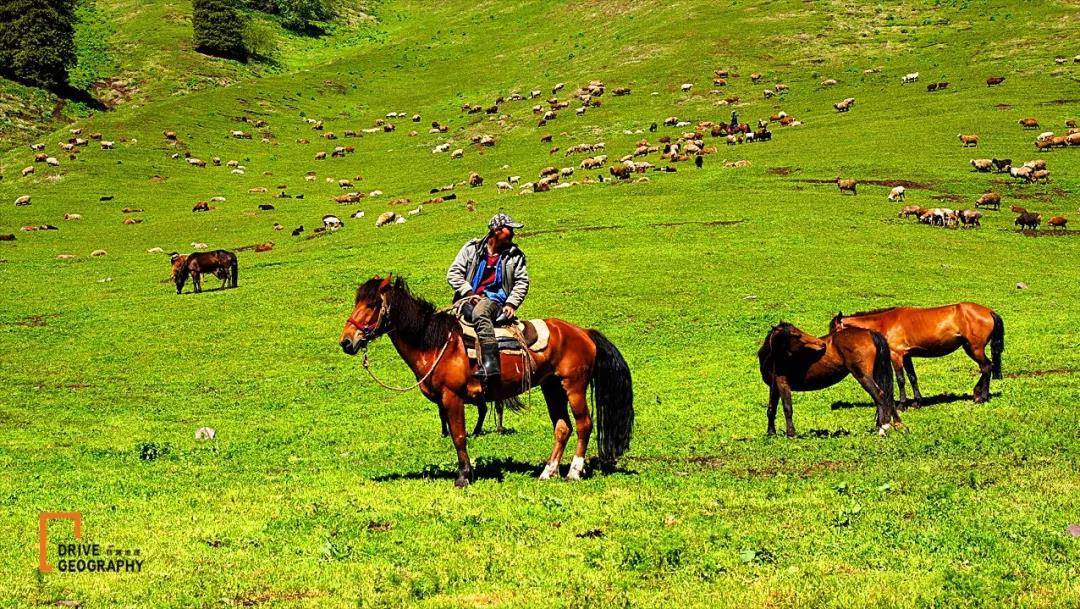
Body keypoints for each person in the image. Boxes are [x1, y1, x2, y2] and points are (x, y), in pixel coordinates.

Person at [447, 213, 529, 380]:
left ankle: (491, 365)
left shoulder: (515, 255)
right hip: (467, 298)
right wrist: (470, 293)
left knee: (480, 313)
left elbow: (522, 281)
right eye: (509, 229)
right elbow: (453, 273)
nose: (513, 233)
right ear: (496, 230)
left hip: (495, 300)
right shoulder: (472, 249)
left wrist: (512, 304)